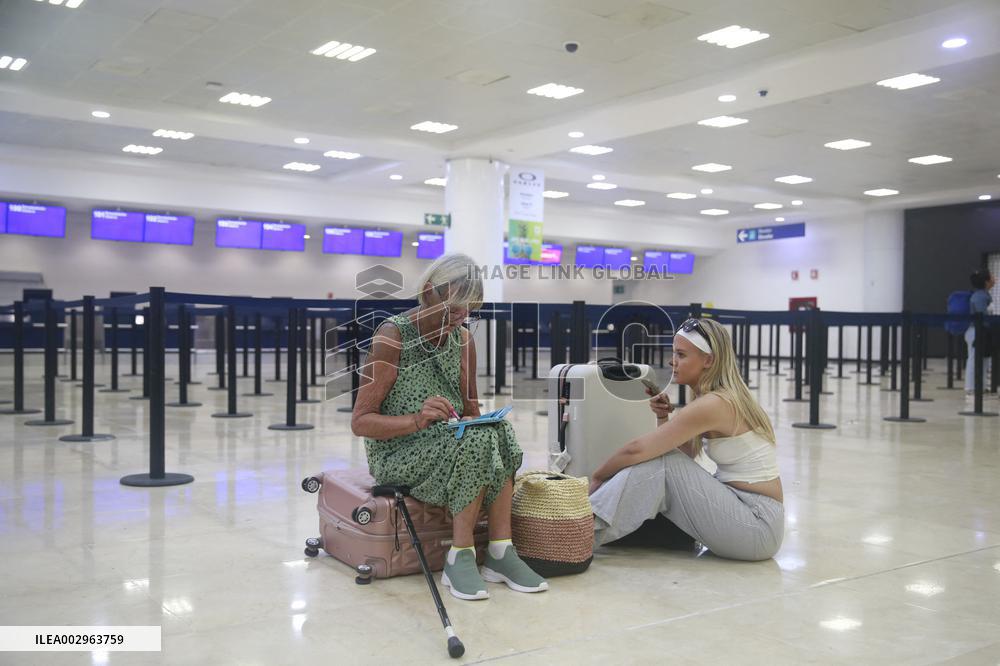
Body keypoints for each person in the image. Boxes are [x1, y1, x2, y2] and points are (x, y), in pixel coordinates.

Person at [351, 253, 547, 600]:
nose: (460, 319)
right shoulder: (393, 337)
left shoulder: (462, 341)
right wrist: (417, 419)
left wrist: (475, 421)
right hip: (398, 452)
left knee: (498, 432)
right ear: (428, 292)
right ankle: (461, 554)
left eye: (468, 312)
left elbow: (472, 408)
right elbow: (361, 422)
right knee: (478, 442)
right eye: (453, 309)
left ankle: (501, 551)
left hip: (446, 444)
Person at [588, 317, 784, 561]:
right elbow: (685, 455)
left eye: (681, 355)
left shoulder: (714, 404)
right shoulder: (720, 398)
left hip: (757, 524)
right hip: (748, 515)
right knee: (664, 463)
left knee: (662, 463)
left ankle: (577, 533)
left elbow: (637, 451)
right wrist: (663, 418)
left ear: (708, 360)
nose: (673, 361)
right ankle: (584, 526)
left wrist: (597, 476)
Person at [965, 269, 995, 395]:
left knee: (984, 359)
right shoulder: (980, 296)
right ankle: (971, 387)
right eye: (992, 277)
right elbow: (982, 316)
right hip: (975, 331)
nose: (994, 279)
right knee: (974, 358)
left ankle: (981, 386)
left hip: (982, 331)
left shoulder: (984, 294)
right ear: (986, 281)